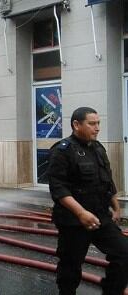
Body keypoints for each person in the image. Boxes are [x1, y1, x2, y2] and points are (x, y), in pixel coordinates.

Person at [47, 107, 128, 295]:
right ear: (76, 125)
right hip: (73, 221)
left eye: (98, 123)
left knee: (124, 253)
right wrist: (81, 213)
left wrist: (115, 206)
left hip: (100, 216)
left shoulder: (98, 148)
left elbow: (107, 179)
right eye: (92, 123)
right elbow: (58, 188)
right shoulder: (62, 151)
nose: (97, 128)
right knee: (70, 267)